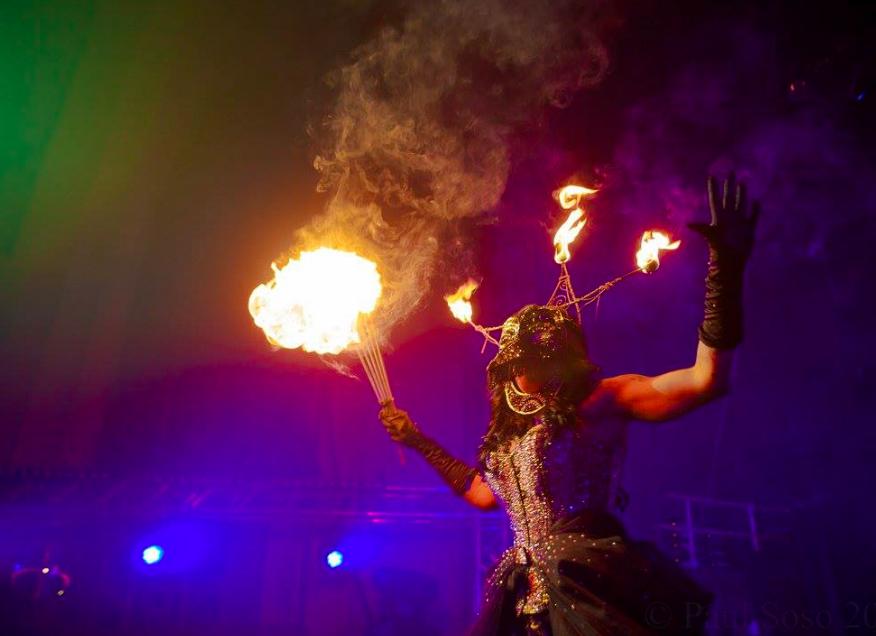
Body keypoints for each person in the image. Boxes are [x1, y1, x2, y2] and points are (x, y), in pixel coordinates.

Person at [379, 174, 760, 635]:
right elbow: (483, 494)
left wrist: (724, 270)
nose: (522, 367)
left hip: (590, 583)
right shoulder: (508, 432)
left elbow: (706, 380)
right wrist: (416, 439)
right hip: (523, 596)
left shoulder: (598, 401)